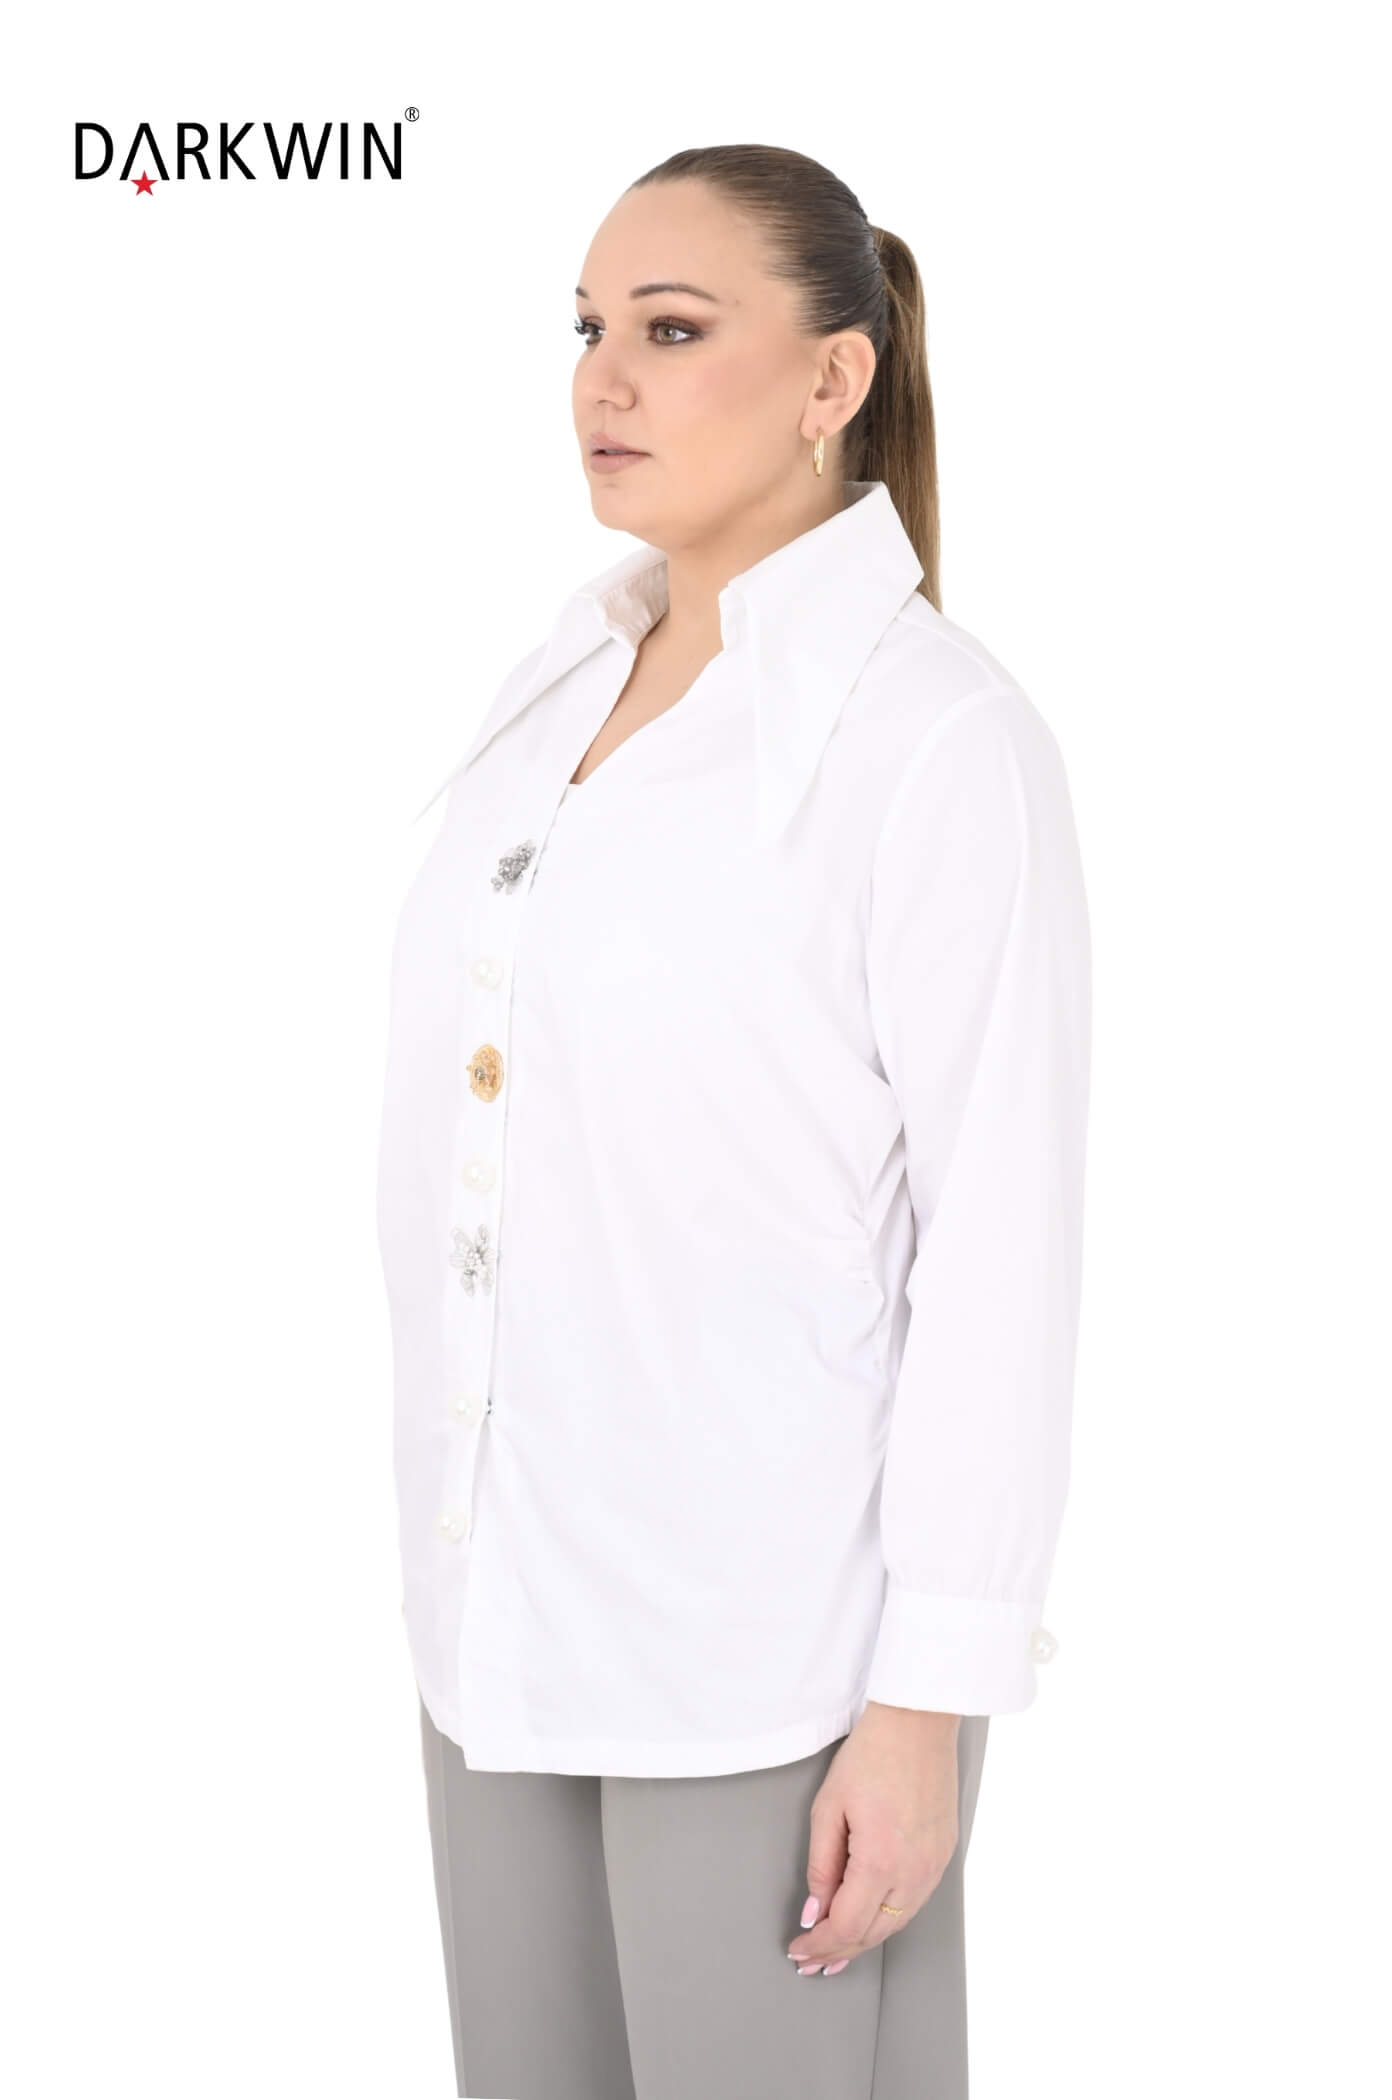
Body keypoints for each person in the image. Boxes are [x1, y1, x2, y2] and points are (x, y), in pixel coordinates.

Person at [376, 140, 1092, 2100]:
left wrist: (926, 1705)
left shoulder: (932, 741)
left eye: (673, 330)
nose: (602, 378)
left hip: (767, 1664)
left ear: (833, 376)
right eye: (586, 328)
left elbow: (1000, 1249)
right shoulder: (556, 693)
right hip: (499, 1627)